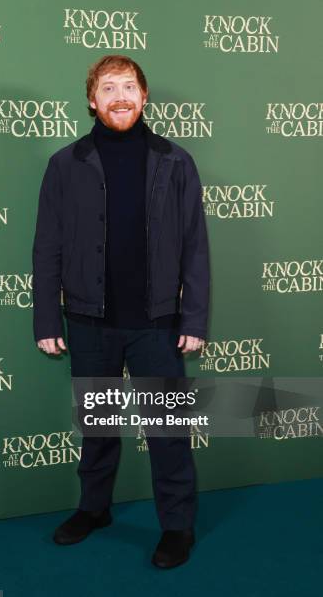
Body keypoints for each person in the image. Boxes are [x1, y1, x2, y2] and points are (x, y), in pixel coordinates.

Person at [32, 54, 210, 569]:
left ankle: (177, 526)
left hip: (157, 325)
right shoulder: (65, 165)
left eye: (129, 86)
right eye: (108, 88)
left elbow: (195, 246)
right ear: (93, 100)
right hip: (90, 323)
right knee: (98, 428)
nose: (120, 96)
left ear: (144, 96)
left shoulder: (177, 162)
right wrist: (48, 319)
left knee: (168, 433)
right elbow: (47, 248)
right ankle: (94, 509)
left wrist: (193, 319)